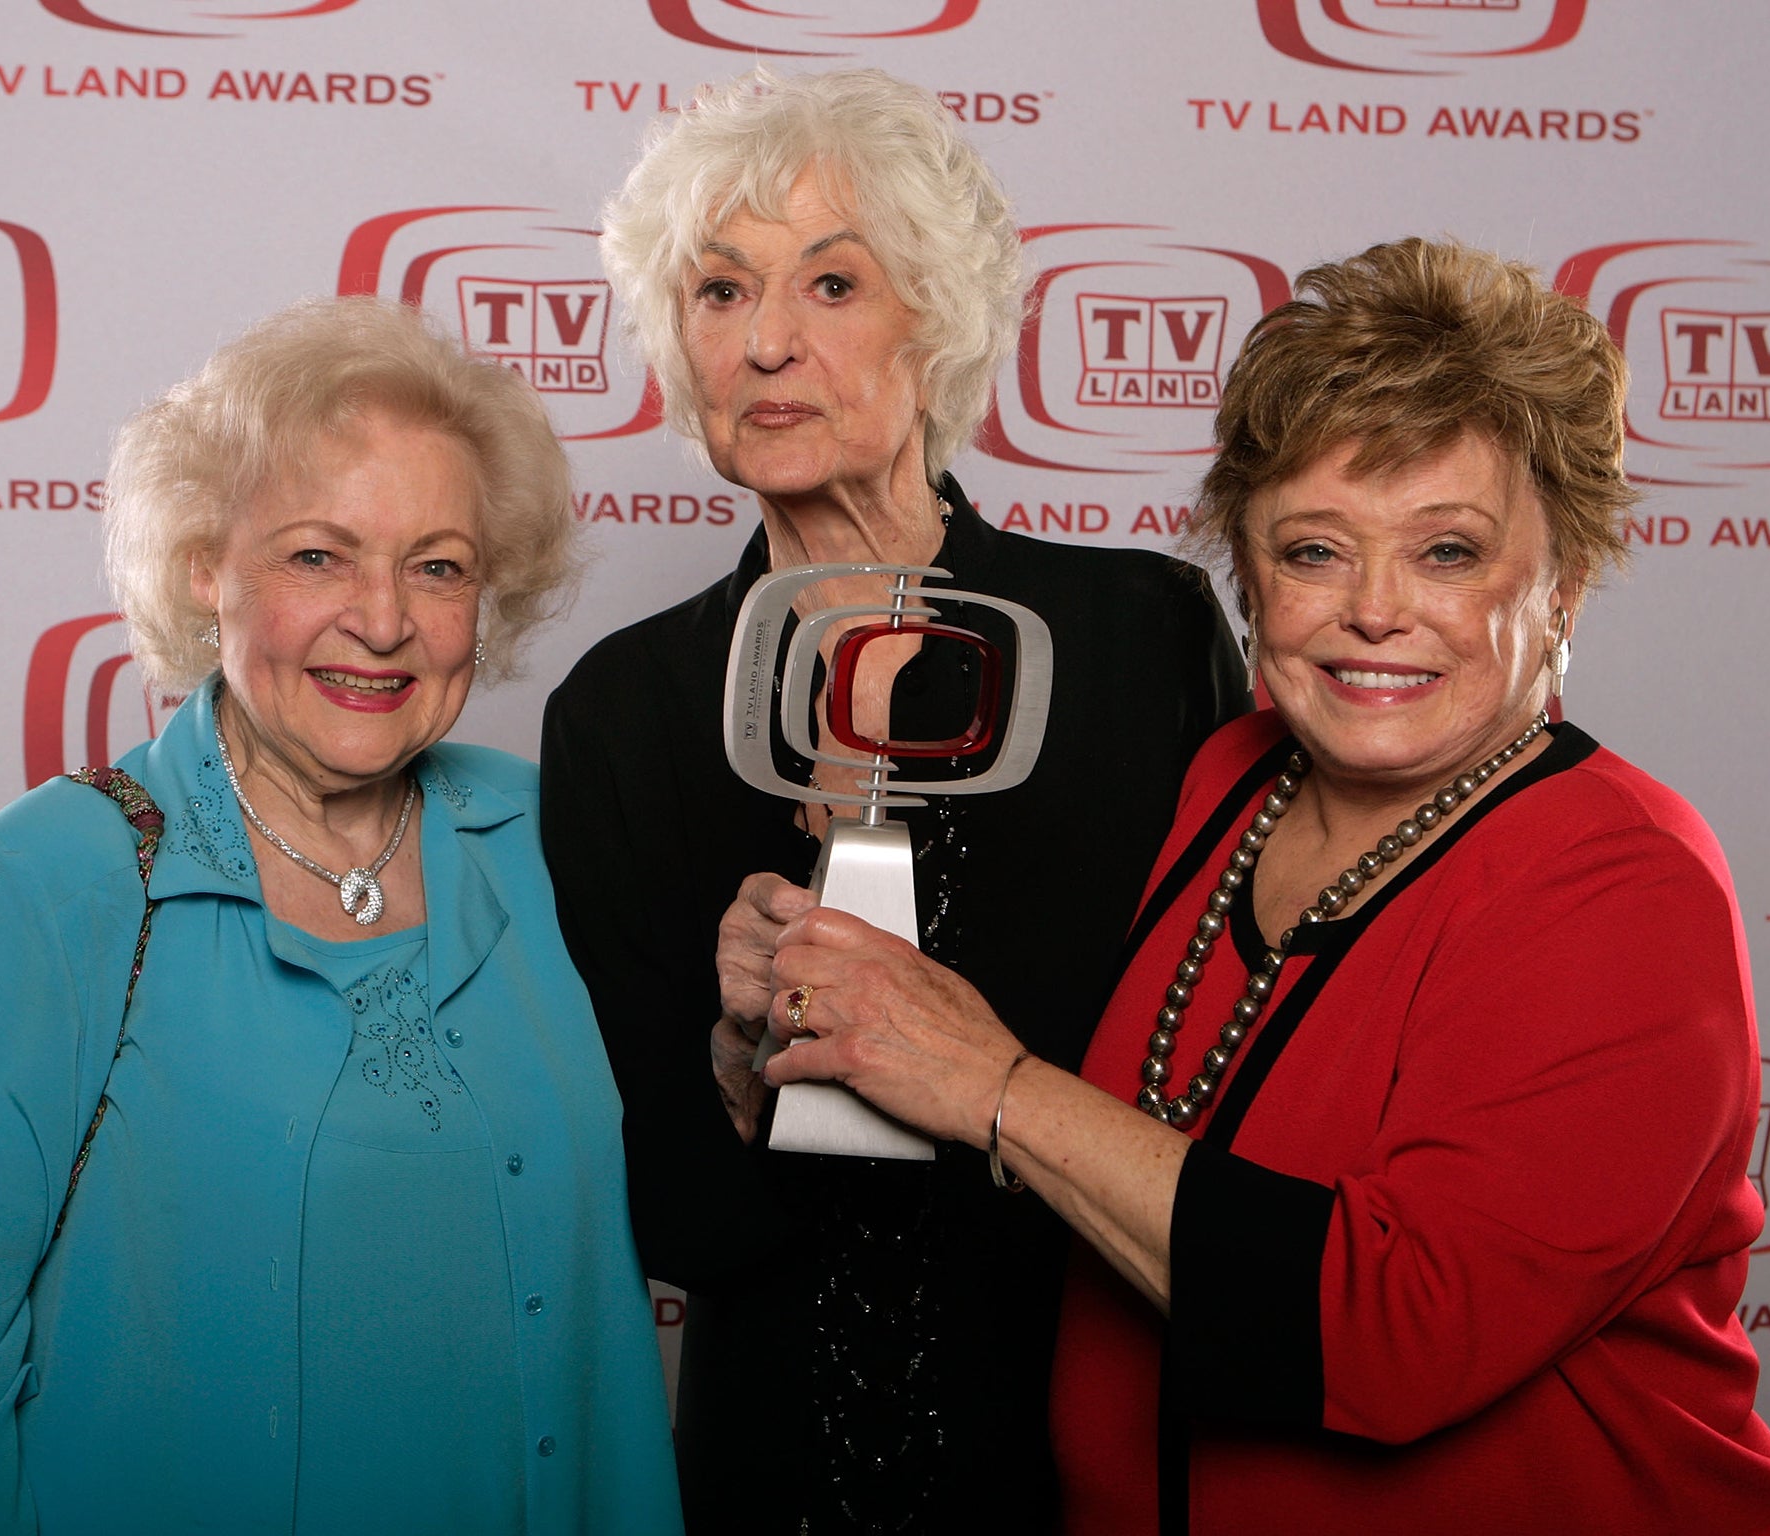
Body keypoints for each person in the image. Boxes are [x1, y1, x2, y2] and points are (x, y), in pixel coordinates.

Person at [731, 239, 1770, 1534]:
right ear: (1247, 575)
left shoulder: (1619, 878)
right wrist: (811, 1012)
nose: (1373, 610)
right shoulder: (1229, 779)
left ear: (1565, 582)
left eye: (1447, 553)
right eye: (1314, 551)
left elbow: (1391, 1335)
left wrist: (988, 1084)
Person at [0, 297, 683, 1535]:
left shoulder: (549, 841)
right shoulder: (52, 879)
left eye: (437, 566)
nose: (383, 621)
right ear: (201, 565)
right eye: (316, 555)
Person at [539, 68, 1243, 1534]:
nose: (768, 341)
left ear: (940, 317)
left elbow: (1238, 1101)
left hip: (1102, 1449)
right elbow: (672, 1216)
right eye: (720, 292)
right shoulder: (627, 710)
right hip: (765, 1465)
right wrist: (739, 1059)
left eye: (832, 283)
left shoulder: (1142, 640)